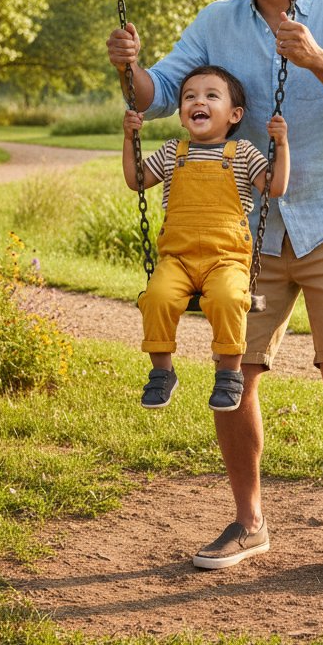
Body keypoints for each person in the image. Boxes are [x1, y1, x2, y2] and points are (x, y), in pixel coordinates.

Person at [106, 0, 323, 580]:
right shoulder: (216, 22)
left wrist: (318, 58)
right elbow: (153, 95)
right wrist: (129, 66)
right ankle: (249, 522)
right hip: (248, 227)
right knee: (235, 373)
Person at [123, 65, 289, 413]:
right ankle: (162, 372)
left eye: (211, 95)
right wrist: (130, 139)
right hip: (177, 260)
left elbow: (275, 187)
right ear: (183, 115)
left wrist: (281, 144)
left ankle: (229, 374)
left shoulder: (242, 153)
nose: (199, 101)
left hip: (226, 259)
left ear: (234, 114)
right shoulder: (172, 152)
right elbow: (136, 180)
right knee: (155, 297)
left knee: (230, 299)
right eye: (190, 97)